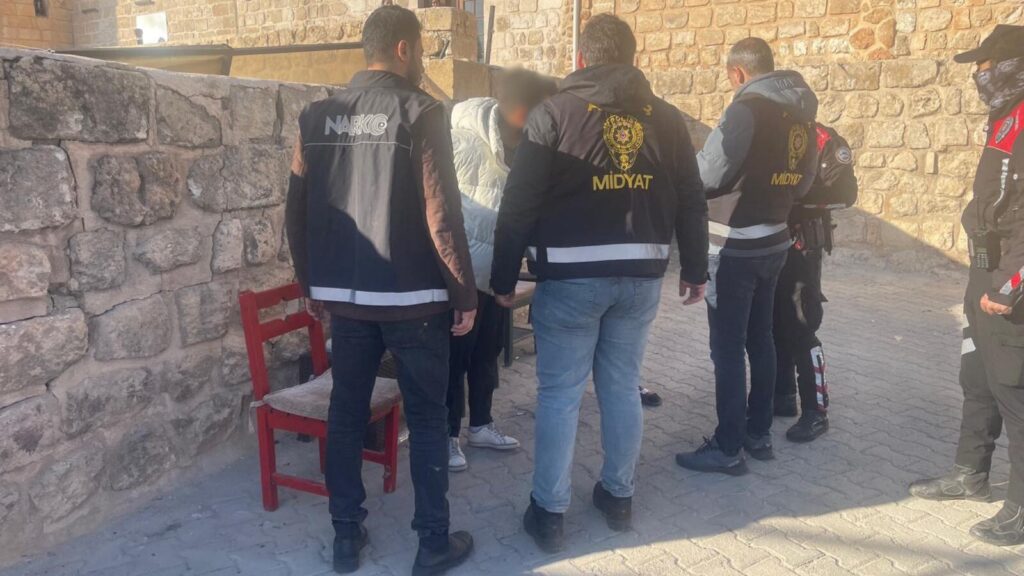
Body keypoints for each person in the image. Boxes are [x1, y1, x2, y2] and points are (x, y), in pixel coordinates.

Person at [490, 14, 708, 552]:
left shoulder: (553, 114)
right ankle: (618, 496)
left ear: (582, 59)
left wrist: (502, 277)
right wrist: (696, 270)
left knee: (560, 395)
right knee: (621, 386)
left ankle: (549, 514)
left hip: (570, 280)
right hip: (640, 278)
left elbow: (519, 203)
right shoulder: (667, 119)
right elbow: (691, 197)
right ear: (633, 59)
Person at [285, 6, 478, 574]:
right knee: (428, 418)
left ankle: (346, 536)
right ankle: (432, 543)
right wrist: (464, 294)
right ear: (403, 48)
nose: (422, 60)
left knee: (346, 413)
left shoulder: (315, 117)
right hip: (415, 302)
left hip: (348, 303)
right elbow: (442, 213)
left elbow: (296, 211)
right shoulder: (421, 112)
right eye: (420, 48)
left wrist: (311, 284)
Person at [676, 37, 818, 476]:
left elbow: (708, 173)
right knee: (762, 338)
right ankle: (759, 435)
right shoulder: (802, 114)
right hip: (775, 240)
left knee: (728, 348)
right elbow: (805, 182)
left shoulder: (745, 110)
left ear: (738, 73)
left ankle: (728, 446)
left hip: (734, 246)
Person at [909, 24, 1024, 547]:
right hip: (984, 267)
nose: (978, 74)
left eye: (985, 65)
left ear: (1011, 66)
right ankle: (970, 473)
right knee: (976, 375)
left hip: (1010, 280)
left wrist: (1008, 286)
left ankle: (1020, 507)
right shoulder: (1005, 114)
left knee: (1014, 389)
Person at [446, 69, 557, 472]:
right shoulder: (459, 141)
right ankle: (447, 436)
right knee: (454, 359)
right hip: (460, 276)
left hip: (497, 273)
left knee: (486, 354)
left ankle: (481, 425)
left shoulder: (529, 147)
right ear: (524, 111)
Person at [773, 123, 858, 443]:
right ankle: (783, 395)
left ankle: (816, 411)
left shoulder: (823, 139)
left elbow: (844, 193)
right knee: (773, 322)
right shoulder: (768, 128)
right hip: (767, 243)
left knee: (801, 324)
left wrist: (789, 191)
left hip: (802, 245)